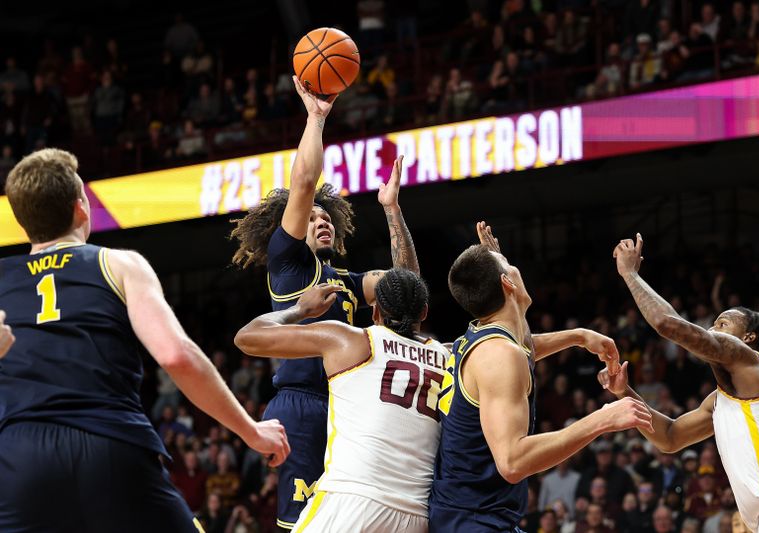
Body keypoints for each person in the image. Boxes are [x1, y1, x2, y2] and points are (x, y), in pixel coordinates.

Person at [0, 148, 289, 532]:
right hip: (110, 443)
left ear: (23, 223)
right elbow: (175, 356)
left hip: (20, 458)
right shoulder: (118, 264)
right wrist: (251, 431)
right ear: (81, 207)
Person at [229, 75, 419, 531]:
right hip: (302, 404)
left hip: (350, 407)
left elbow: (407, 282)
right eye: (311, 216)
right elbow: (304, 183)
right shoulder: (289, 262)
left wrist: (392, 209)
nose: (320, 221)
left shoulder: (350, 282)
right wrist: (316, 118)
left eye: (326, 216)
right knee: (300, 524)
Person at [428, 223, 655, 532]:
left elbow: (523, 346)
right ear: (507, 283)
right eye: (508, 265)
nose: (516, 266)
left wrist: (578, 336)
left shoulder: (483, 336)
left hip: (468, 513)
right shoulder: (500, 356)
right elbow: (512, 462)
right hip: (475, 520)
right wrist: (602, 420)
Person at [600, 233, 759, 533]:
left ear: (748, 338)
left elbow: (667, 324)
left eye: (722, 324)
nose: (711, 330)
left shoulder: (749, 362)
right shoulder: (720, 400)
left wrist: (629, 274)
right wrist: (623, 392)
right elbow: (669, 437)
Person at [235, 270, 449, 532]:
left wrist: (300, 309)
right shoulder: (448, 356)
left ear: (374, 313)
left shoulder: (351, 341)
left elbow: (246, 338)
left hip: (353, 501)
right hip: (416, 516)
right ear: (424, 312)